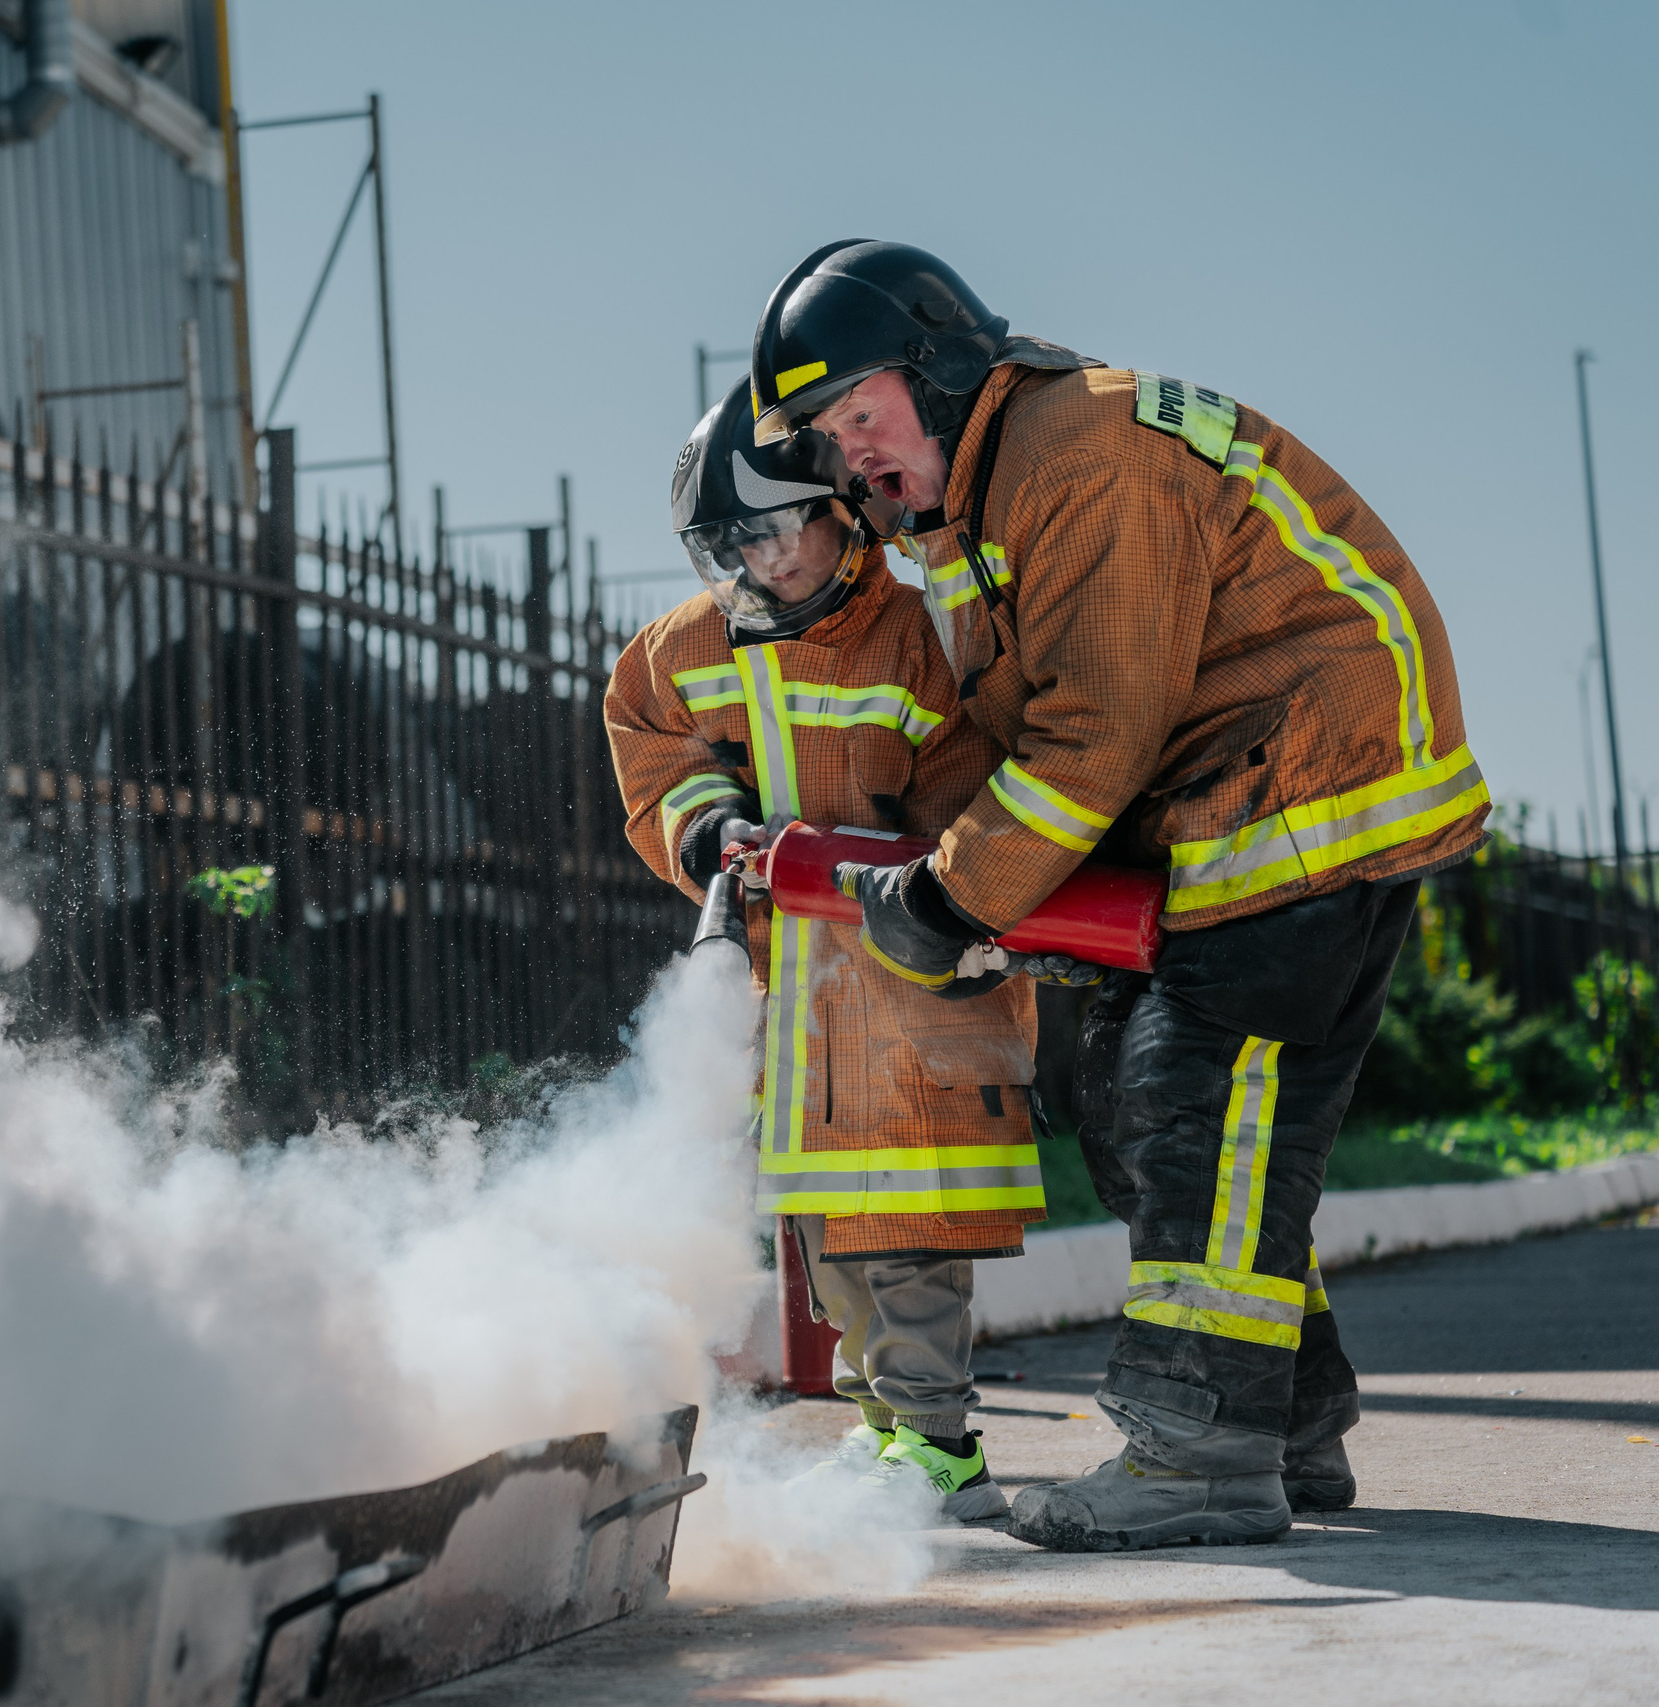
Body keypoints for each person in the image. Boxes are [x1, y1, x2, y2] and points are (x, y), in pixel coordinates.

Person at [748, 240, 1490, 1551]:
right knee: (1148, 1113)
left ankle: (1200, 1452)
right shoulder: (987, 492)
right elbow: (1043, 724)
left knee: (1198, 1107)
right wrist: (1003, 893)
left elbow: (1091, 733)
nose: (848, 456)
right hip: (1236, 801)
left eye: (860, 413)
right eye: (827, 436)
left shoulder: (1077, 454)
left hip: (1302, 794)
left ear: (940, 367)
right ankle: (1282, 1418)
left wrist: (950, 900)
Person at [604, 379, 1048, 1522]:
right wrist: (706, 825)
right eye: (738, 542)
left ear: (842, 508)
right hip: (792, 997)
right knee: (827, 1229)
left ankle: (939, 1448)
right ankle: (891, 1433)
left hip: (911, 985)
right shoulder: (682, 649)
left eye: (783, 526)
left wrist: (916, 884)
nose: (769, 557)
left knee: (904, 1222)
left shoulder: (920, 637)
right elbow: (655, 748)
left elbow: (979, 795)